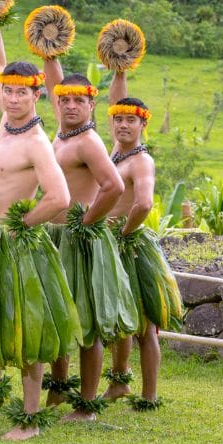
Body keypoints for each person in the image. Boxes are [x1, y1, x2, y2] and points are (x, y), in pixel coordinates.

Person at [0, 26, 81, 441]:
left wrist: (23, 224)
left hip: (17, 244)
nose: (13, 98)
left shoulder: (37, 142)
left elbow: (59, 197)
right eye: (8, 91)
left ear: (37, 95)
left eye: (22, 93)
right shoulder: (7, 122)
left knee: (25, 328)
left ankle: (29, 418)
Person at [42, 58, 138, 421]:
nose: (70, 106)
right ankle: (58, 388)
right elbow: (53, 80)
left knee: (87, 322)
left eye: (78, 101)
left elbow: (113, 186)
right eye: (64, 100)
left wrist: (86, 220)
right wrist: (49, 56)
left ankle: (86, 405)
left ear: (91, 104)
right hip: (55, 236)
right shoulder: (61, 135)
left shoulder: (88, 142)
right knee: (58, 314)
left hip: (80, 239)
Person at [102, 70, 183, 410]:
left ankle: (149, 396)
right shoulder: (115, 153)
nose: (123, 125)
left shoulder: (141, 161)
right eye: (118, 119)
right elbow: (116, 99)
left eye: (130, 121)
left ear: (143, 125)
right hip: (111, 242)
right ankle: (119, 382)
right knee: (121, 318)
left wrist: (123, 232)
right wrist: (119, 70)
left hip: (131, 246)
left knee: (145, 326)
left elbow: (144, 203)